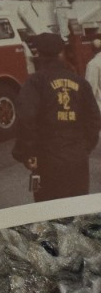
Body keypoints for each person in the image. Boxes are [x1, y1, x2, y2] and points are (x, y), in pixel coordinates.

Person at [12, 32, 100, 203]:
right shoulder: (80, 82)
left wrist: (28, 152)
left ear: (38, 54)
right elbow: (94, 119)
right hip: (78, 160)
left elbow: (25, 118)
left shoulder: (35, 82)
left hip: (47, 161)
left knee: (51, 215)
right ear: (61, 53)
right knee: (78, 211)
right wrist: (84, 148)